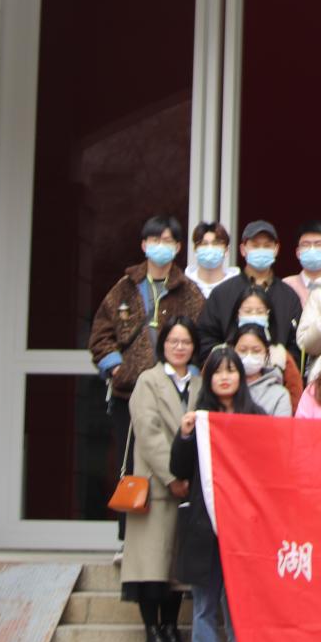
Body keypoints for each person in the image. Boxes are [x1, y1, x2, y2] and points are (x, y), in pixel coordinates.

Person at [88, 214, 204, 539]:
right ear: (143, 245)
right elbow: (100, 334)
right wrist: (116, 368)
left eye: (167, 241)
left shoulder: (189, 291)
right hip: (129, 393)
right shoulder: (124, 288)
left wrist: (191, 376)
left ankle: (175, 538)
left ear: (178, 247)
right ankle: (127, 539)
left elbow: (202, 337)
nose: (160, 246)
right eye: (155, 240)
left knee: (174, 461)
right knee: (129, 465)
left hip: (175, 393)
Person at [170, 346, 264, 642]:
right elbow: (179, 470)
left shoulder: (256, 417)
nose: (225, 377)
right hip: (204, 524)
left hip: (245, 526)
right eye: (218, 372)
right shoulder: (199, 418)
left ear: (241, 376)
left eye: (231, 370)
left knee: (241, 605)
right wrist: (184, 435)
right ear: (208, 379)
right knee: (205, 604)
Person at [121, 316, 200, 642]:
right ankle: (152, 636)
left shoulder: (199, 383)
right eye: (173, 341)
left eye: (186, 342)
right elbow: (148, 432)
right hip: (156, 488)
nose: (179, 348)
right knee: (150, 569)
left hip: (189, 491)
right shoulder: (148, 381)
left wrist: (190, 479)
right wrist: (173, 478)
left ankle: (170, 631)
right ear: (163, 344)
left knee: (175, 571)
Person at [197, 220, 302, 362]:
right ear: (243, 249)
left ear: (276, 249)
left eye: (267, 246)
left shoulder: (288, 296)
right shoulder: (222, 293)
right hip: (229, 371)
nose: (261, 250)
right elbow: (206, 338)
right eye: (255, 245)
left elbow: (297, 345)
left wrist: (278, 361)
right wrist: (227, 360)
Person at [232, 285, 303, 410]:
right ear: (237, 314)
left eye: (259, 311)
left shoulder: (280, 354)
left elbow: (295, 393)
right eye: (248, 311)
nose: (253, 316)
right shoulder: (222, 352)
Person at [229, 322, 291, 417]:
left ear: (266, 354)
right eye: (243, 350)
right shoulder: (223, 386)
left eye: (256, 351)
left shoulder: (279, 395)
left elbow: (282, 426)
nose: (249, 356)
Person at [280, 220, 321, 310]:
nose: (312, 249)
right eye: (306, 245)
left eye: (318, 244)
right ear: (298, 253)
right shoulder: (285, 286)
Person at [185, 221, 239, 299]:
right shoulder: (183, 286)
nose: (210, 248)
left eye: (216, 243)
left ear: (226, 250)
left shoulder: (237, 288)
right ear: (195, 250)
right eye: (204, 244)